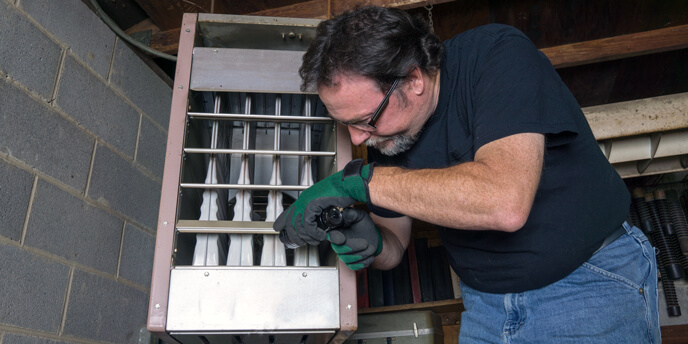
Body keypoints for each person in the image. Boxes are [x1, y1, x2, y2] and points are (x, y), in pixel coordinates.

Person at [273, 6, 660, 343]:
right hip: (484, 306)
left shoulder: (496, 56)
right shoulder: (392, 135)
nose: (359, 138)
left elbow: (504, 202)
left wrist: (355, 182)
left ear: (413, 80)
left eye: (365, 120)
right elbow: (395, 247)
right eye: (347, 125)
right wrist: (370, 242)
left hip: (586, 286)